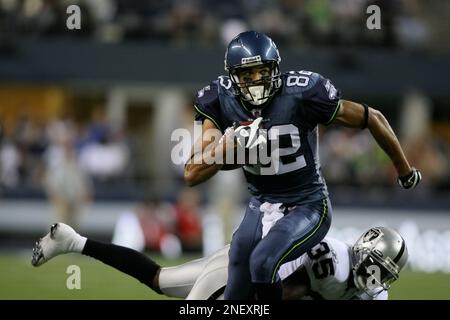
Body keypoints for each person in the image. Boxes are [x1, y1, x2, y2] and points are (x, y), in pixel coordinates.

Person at [183, 30, 421, 300]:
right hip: (261, 204)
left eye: (262, 72)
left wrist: (405, 170)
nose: (256, 82)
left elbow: (372, 117)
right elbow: (192, 173)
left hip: (307, 204)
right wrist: (228, 146)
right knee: (238, 263)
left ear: (275, 69)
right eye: (246, 75)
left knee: (262, 262)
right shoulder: (219, 98)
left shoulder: (302, 92)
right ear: (232, 77)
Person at [32, 223, 408, 300]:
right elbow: (276, 293)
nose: (373, 278)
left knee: (160, 281)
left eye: (382, 275)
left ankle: (73, 240)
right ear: (360, 251)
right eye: (373, 266)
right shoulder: (331, 261)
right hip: (245, 275)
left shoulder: (374, 296)